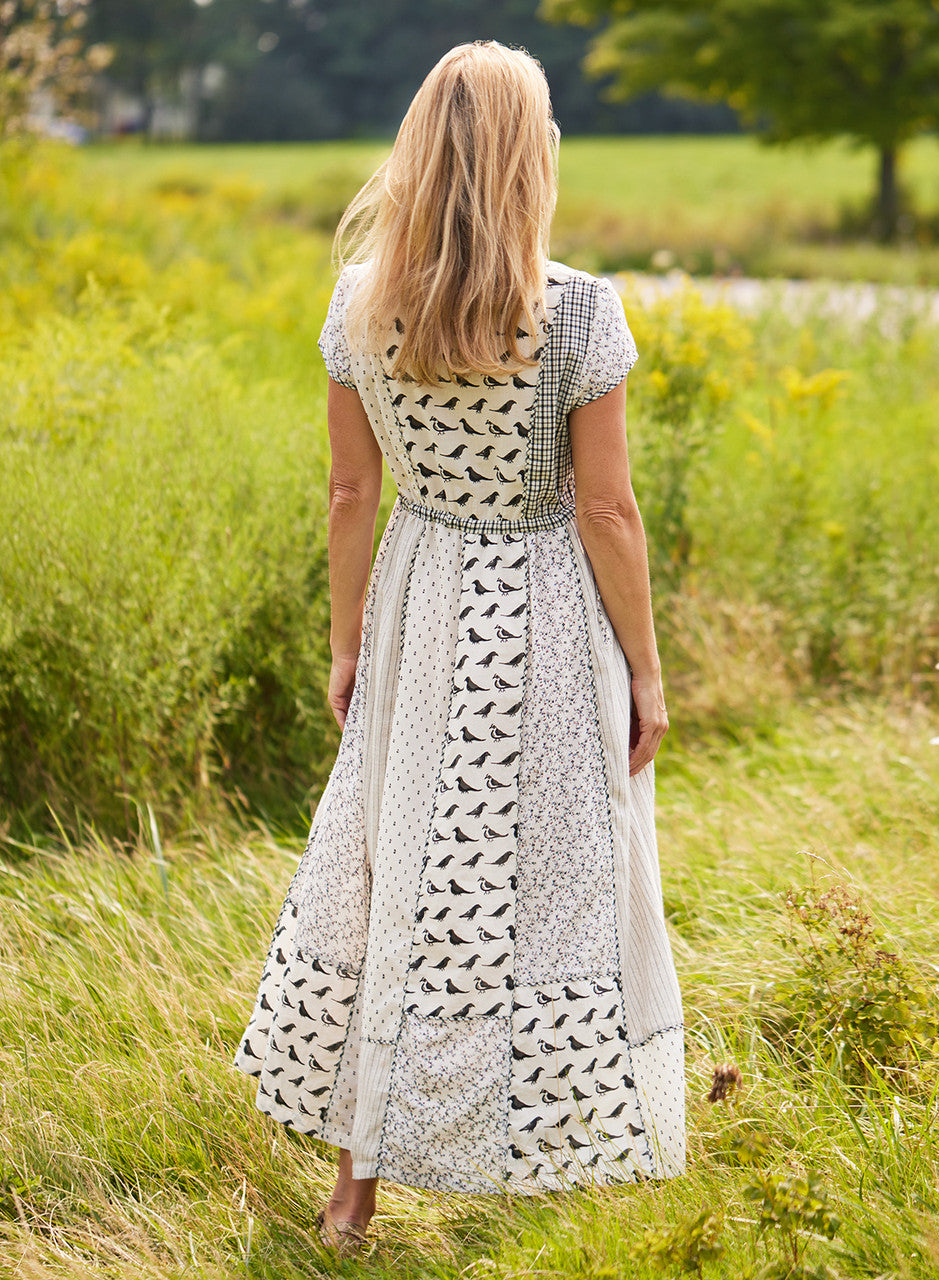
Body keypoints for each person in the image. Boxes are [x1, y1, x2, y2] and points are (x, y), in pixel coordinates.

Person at [232, 39, 686, 1259]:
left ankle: (353, 1189)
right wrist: (647, 668)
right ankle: (560, 1151)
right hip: (543, 613)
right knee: (558, 883)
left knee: (392, 873)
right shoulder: (582, 308)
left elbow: (347, 488)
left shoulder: (360, 300)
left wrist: (345, 644)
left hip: (420, 599)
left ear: (423, 148)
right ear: (533, 153)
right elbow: (605, 511)